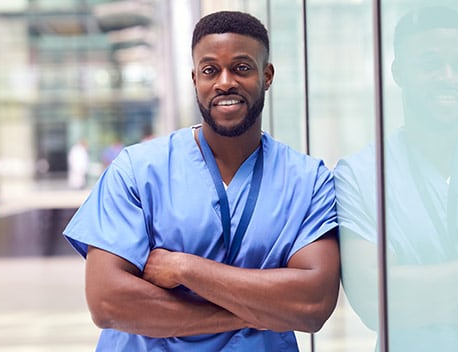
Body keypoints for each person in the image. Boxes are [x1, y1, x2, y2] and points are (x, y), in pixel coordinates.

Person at [63, 10, 340, 351]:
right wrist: (255, 311)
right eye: (210, 70)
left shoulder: (309, 181)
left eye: (241, 67)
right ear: (195, 79)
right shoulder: (137, 170)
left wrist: (184, 268)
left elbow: (312, 304)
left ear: (267, 76)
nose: (225, 82)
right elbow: (108, 303)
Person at [335, 6, 458, 352]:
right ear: (398, 73)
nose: (449, 77)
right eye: (431, 65)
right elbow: (374, 303)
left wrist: (418, 302)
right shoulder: (360, 174)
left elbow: (393, 300)